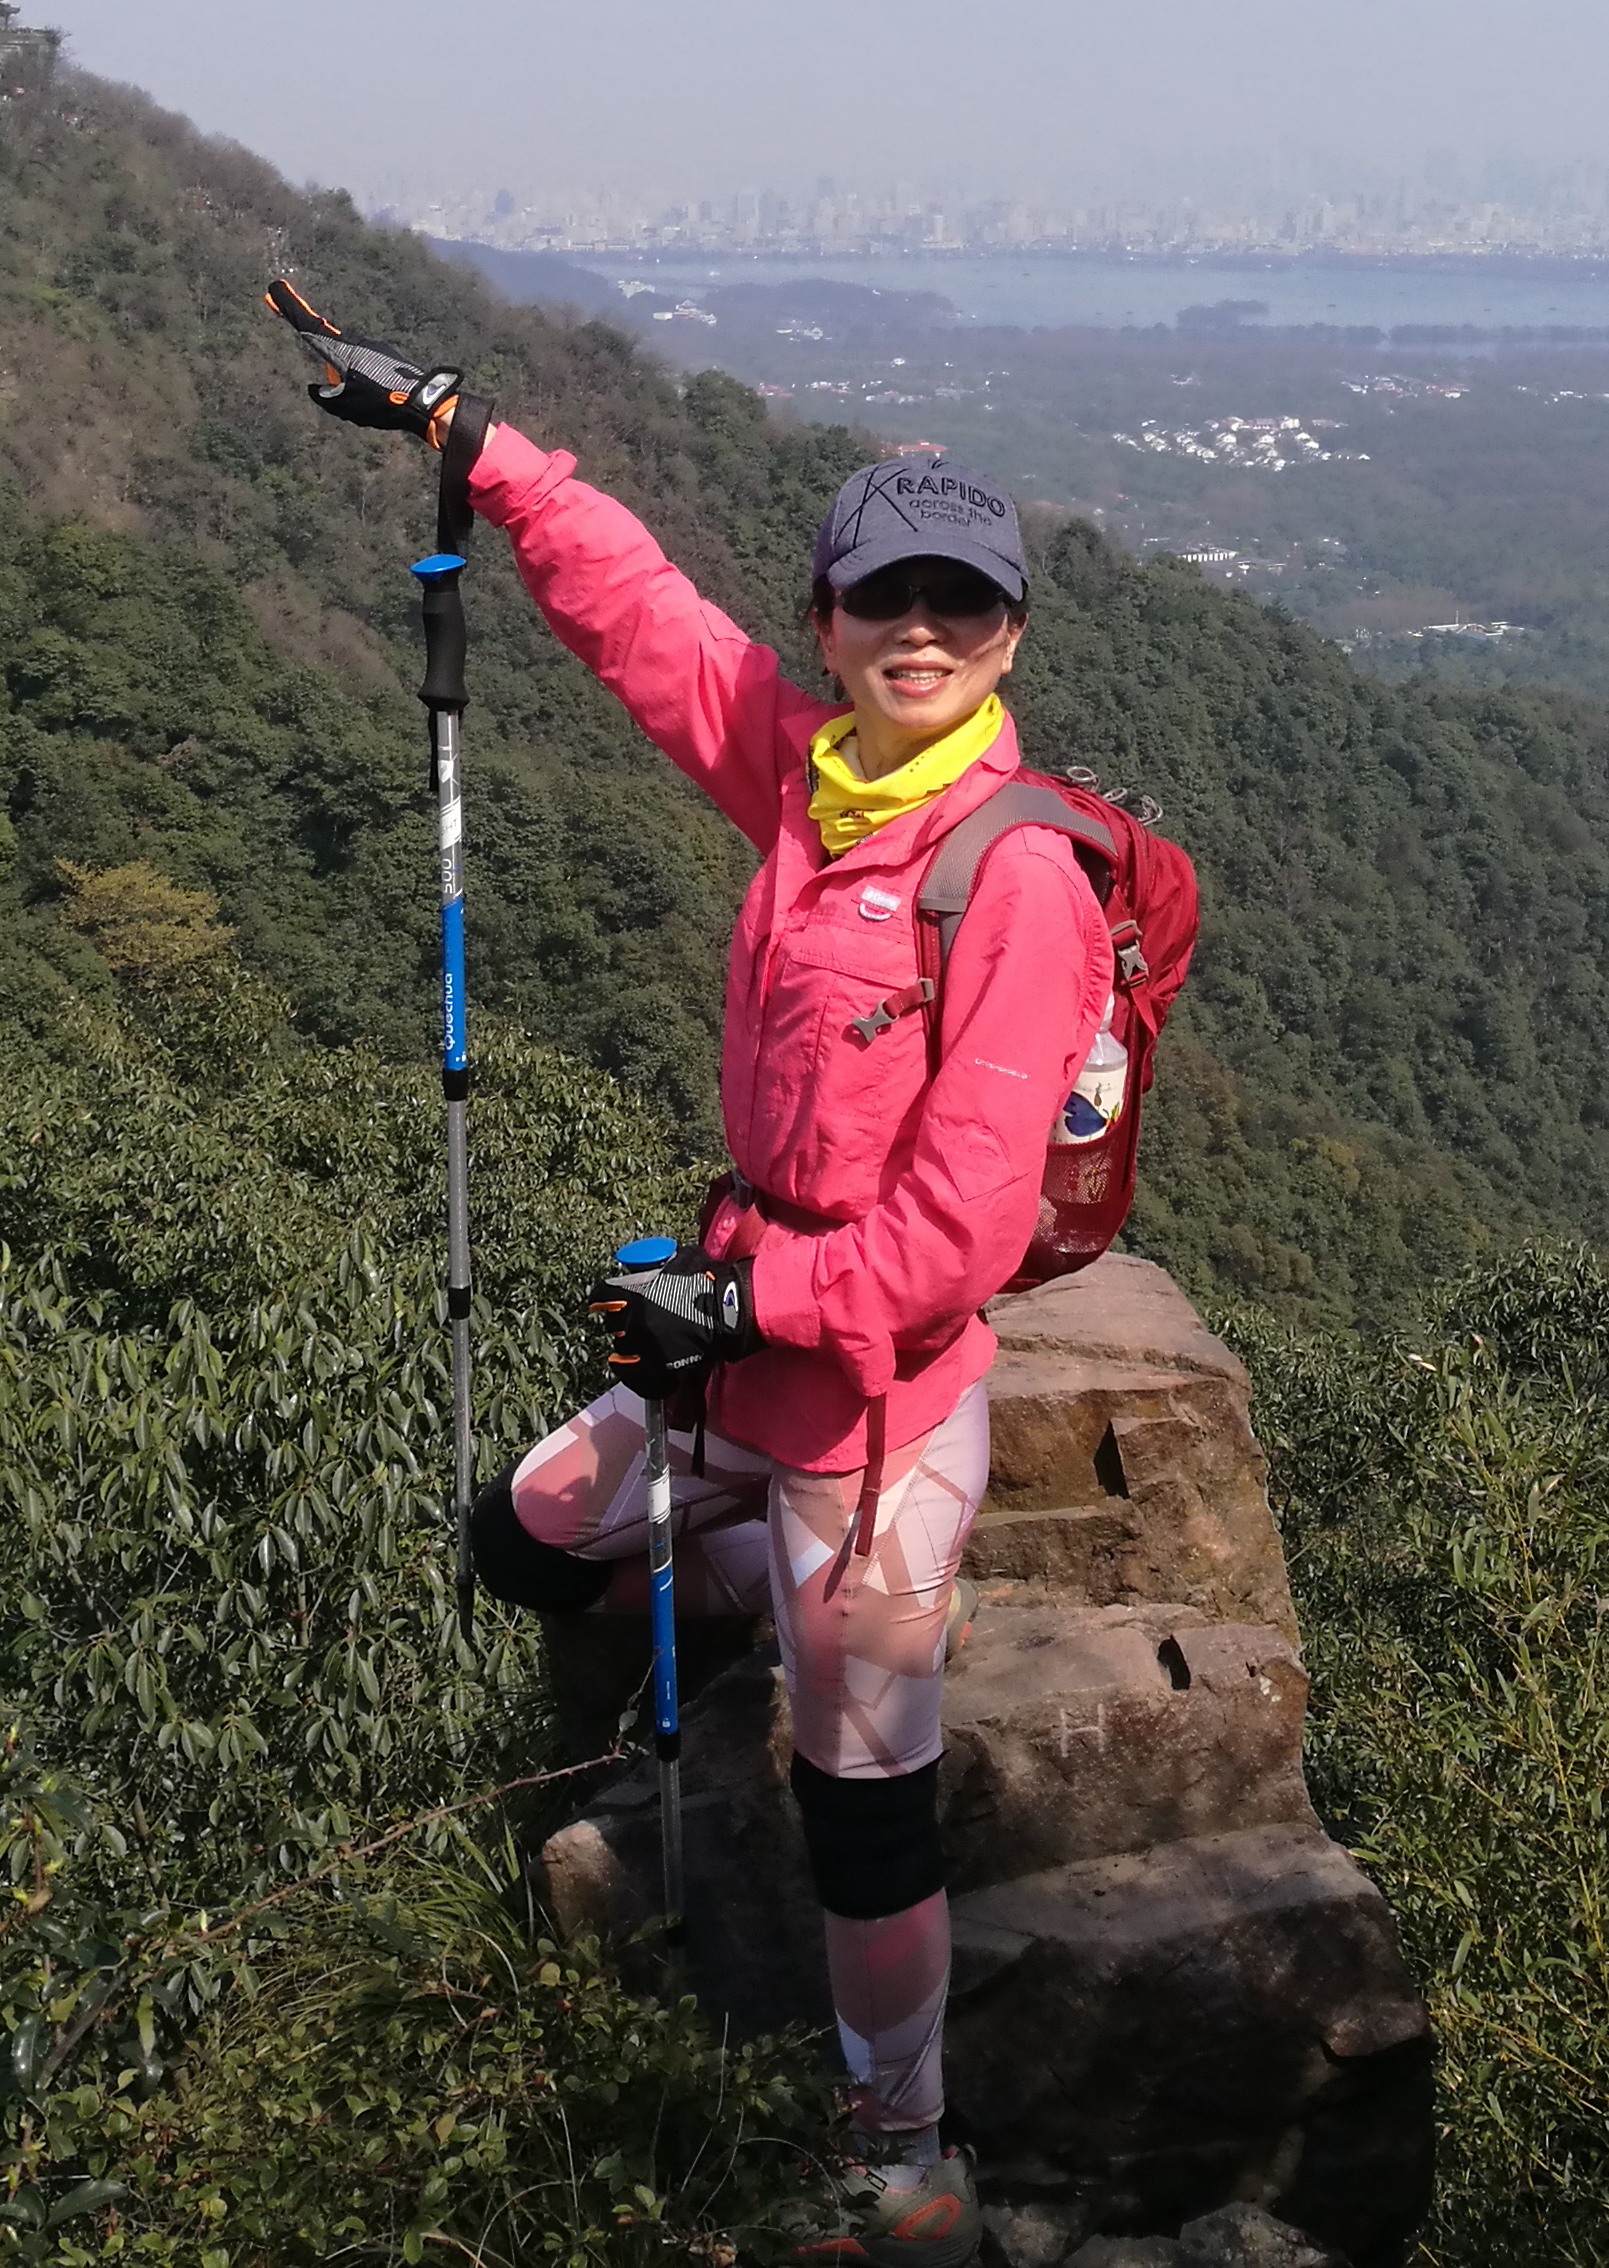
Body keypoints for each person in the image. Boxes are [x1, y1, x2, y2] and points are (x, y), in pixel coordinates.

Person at [448, 415, 1110, 2268]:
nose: (922, 630)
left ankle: (906, 2159)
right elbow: (651, 630)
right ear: (827, 619)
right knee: (521, 1536)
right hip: (734, 1348)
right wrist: (493, 460)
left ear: (1010, 635)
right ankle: (773, 1592)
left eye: (960, 603)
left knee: (859, 1798)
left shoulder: (1015, 879)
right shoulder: (816, 785)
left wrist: (749, 1304)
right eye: (885, 597)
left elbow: (964, 1232)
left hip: (872, 1399)